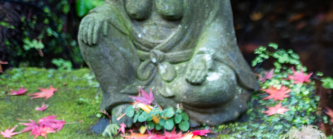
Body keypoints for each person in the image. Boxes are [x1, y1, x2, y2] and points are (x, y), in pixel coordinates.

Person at [78, 0, 259, 126]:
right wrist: (99, 15)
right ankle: (123, 101)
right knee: (92, 32)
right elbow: (114, 8)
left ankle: (153, 106)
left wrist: (203, 55)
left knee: (216, 87)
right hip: (135, 67)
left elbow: (216, 23)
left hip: (184, 67)